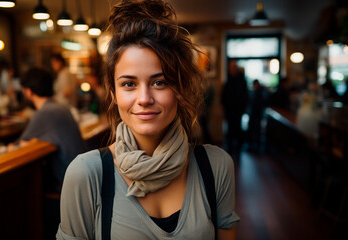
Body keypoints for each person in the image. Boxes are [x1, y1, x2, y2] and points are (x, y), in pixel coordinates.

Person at [57, 1, 239, 239]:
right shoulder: (86, 174)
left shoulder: (216, 167)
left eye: (159, 82)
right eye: (129, 84)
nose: (144, 98)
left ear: (179, 88)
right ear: (113, 93)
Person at [9, 67, 87, 239]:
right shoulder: (60, 108)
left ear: (28, 92)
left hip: (68, 188)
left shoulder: (44, 112)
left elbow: (15, 146)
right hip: (81, 181)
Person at [221, 60, 248, 157]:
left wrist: (243, 108)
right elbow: (224, 94)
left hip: (238, 109)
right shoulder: (228, 79)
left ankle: (238, 147)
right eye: (230, 68)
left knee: (237, 128)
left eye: (233, 68)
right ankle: (230, 146)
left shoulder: (241, 80)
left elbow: (245, 95)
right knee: (230, 128)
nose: (231, 70)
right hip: (229, 109)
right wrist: (223, 105)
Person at [247, 79, 267, 152]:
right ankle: (252, 146)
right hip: (254, 114)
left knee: (257, 131)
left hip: (257, 114)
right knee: (252, 130)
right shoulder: (256, 92)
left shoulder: (261, 92)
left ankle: (256, 147)